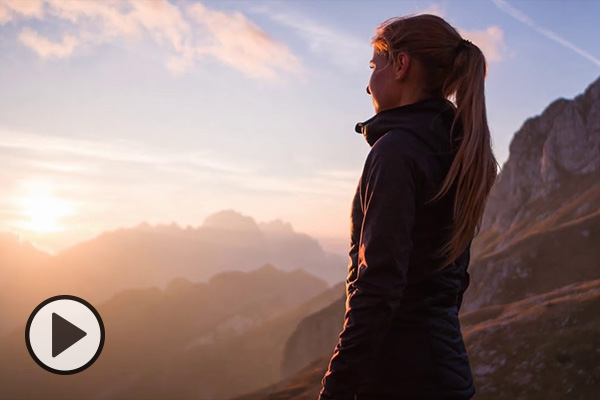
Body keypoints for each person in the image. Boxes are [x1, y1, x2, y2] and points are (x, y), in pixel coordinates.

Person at [318, 14, 499, 400]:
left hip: (399, 378)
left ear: (401, 66)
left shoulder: (396, 151)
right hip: (444, 372)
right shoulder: (456, 150)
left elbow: (378, 288)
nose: (367, 84)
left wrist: (336, 390)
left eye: (374, 65)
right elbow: (451, 282)